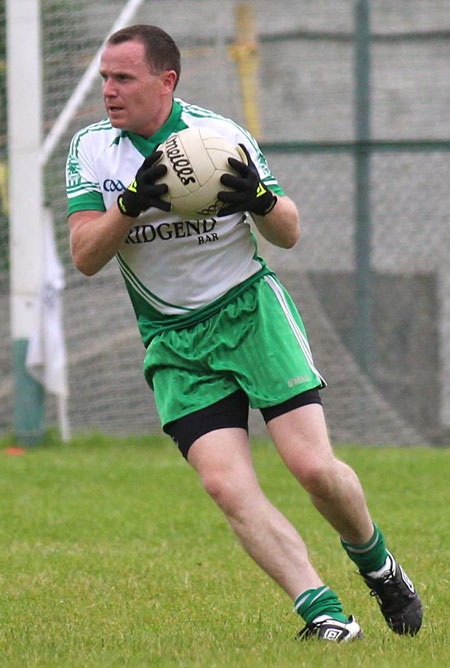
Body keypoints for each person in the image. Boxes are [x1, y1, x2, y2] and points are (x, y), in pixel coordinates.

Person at [66, 24, 422, 642]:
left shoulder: (219, 138)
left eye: (123, 77)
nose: (109, 90)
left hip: (251, 315)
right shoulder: (93, 149)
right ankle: (325, 614)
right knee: (226, 486)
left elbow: (287, 232)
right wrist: (128, 204)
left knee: (313, 469)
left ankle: (377, 561)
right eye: (104, 78)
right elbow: (85, 256)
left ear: (165, 81)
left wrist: (257, 197)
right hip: (175, 342)